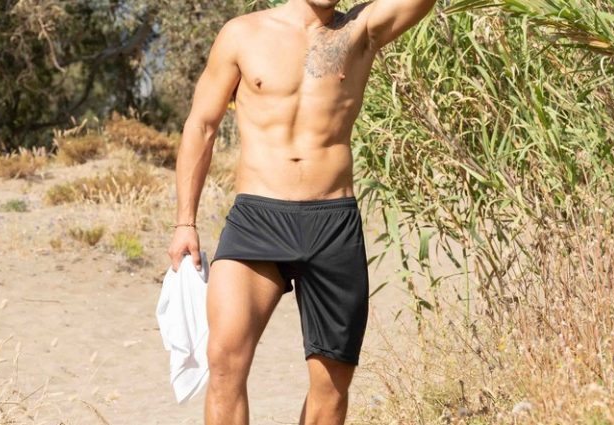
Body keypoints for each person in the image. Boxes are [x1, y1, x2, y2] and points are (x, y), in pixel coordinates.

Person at [167, 0, 435, 423]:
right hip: (258, 218)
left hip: (332, 224)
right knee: (224, 360)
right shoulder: (242, 34)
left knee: (331, 387)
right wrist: (186, 221)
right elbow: (202, 125)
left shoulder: (361, 31)